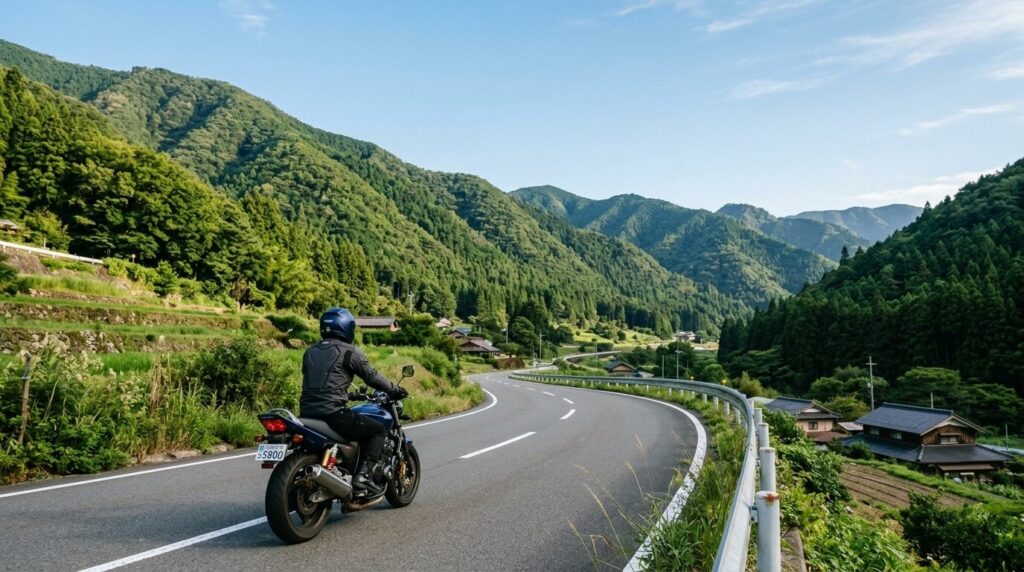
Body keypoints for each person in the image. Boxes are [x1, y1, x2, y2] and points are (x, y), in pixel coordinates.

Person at [300, 307, 408, 495]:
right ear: (346, 328)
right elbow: (371, 377)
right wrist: (394, 389)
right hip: (333, 414)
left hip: (306, 413)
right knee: (377, 429)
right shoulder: (349, 351)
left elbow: (322, 382)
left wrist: (346, 395)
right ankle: (363, 477)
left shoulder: (311, 351)